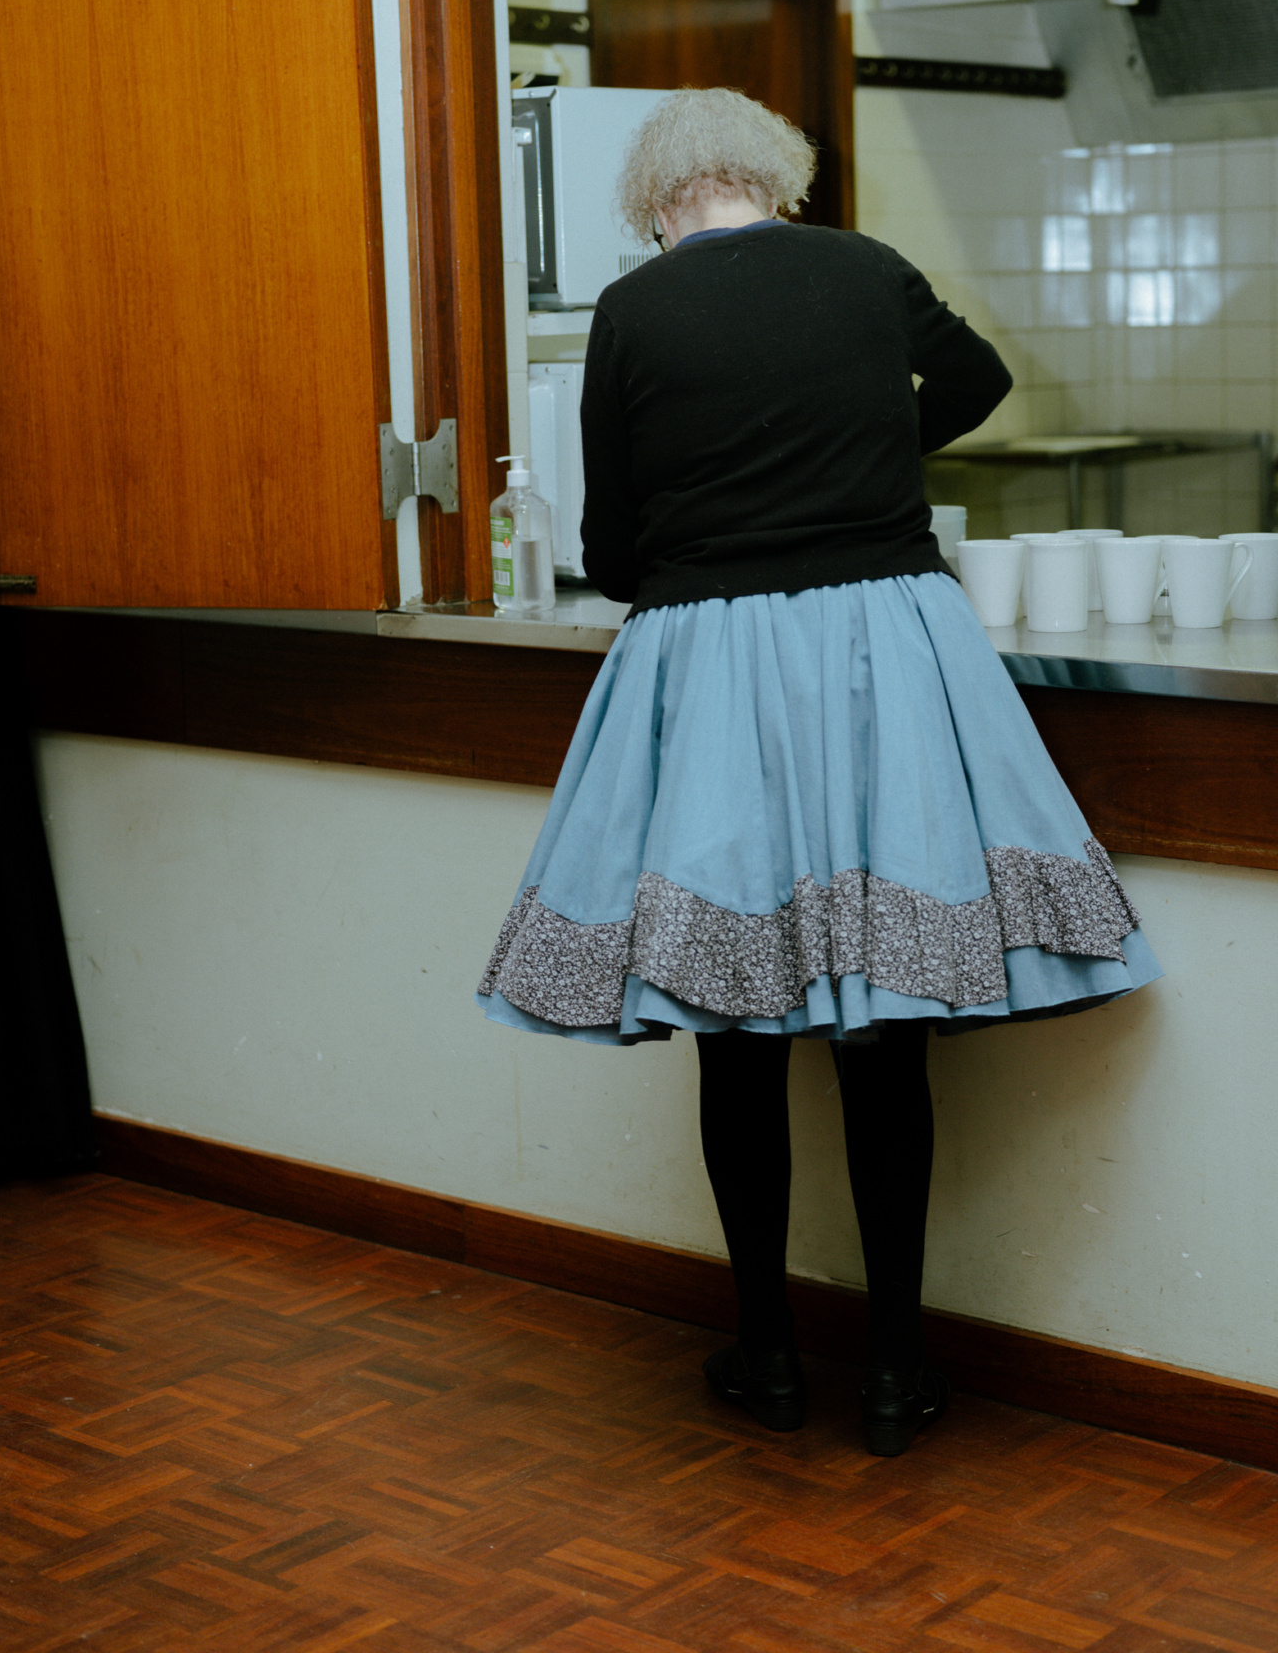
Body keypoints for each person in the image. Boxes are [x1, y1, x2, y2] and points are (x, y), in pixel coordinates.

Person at [479, 87, 1161, 1457]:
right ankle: (900, 1371)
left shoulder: (632, 310)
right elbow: (976, 381)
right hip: (887, 645)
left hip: (709, 660)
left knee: (736, 1033)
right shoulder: (863, 266)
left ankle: (771, 1357)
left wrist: (716, 529)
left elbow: (613, 546)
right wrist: (863, 459)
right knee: (882, 1026)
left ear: (661, 201)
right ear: (773, 181)